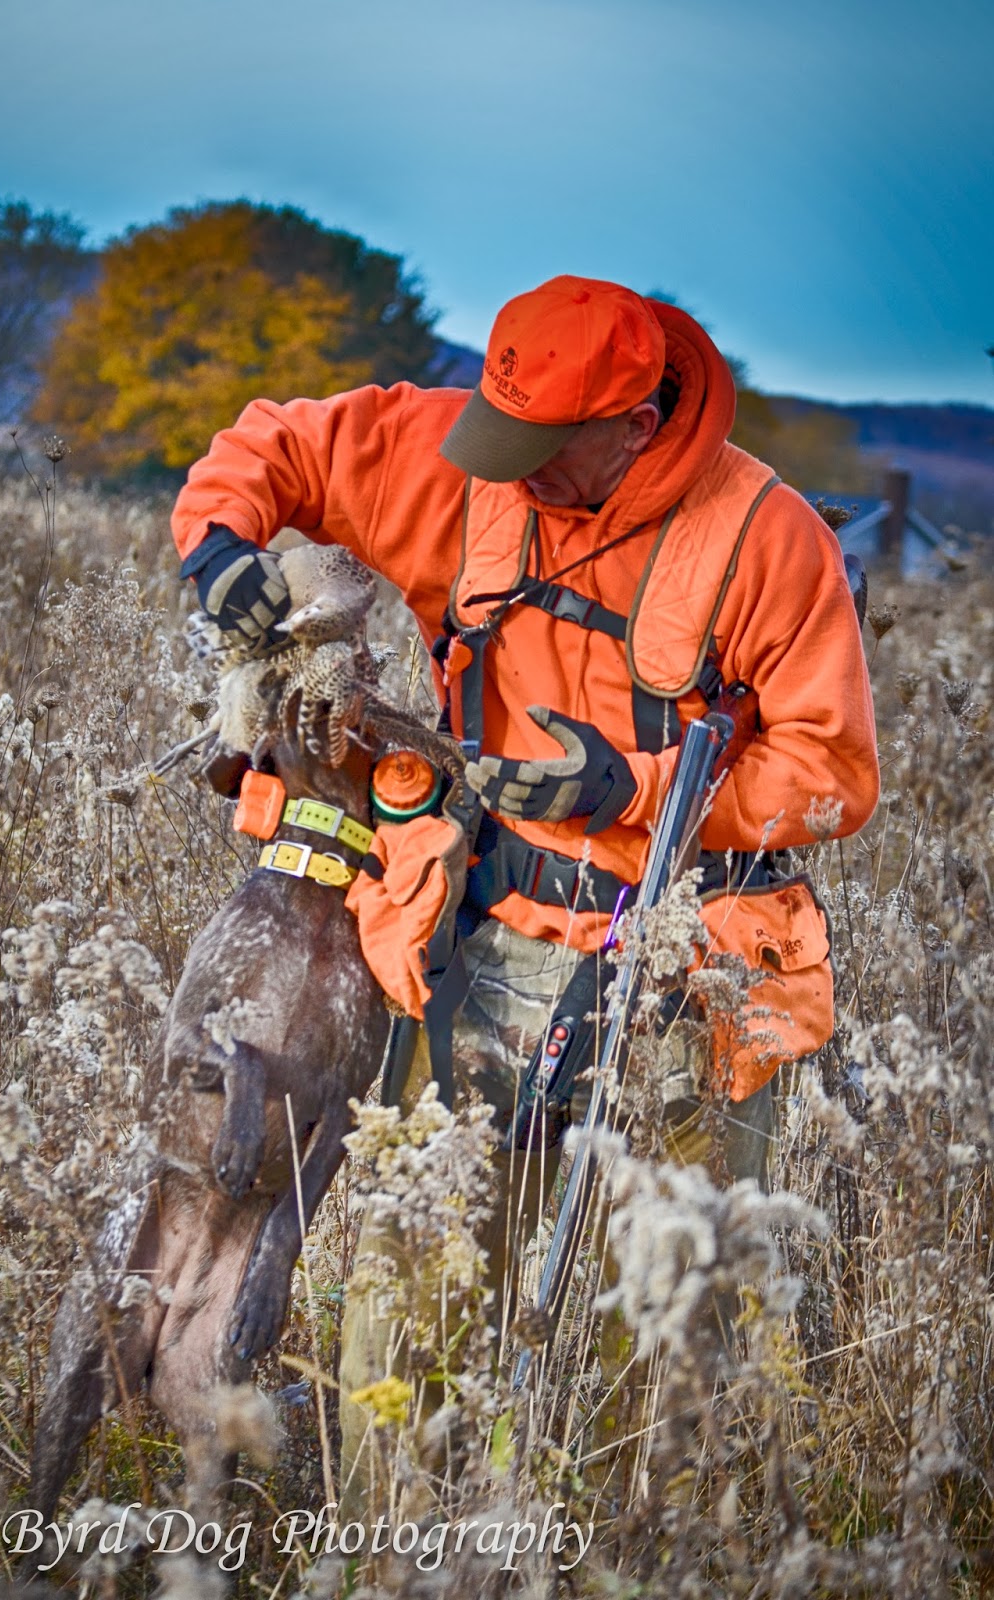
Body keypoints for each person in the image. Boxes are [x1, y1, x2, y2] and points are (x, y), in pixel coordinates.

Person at [171, 275, 880, 1508]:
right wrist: (222, 541)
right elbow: (273, 442)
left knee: (658, 1344)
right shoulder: (464, 464)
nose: (520, 475)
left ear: (639, 421)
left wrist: (643, 789)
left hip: (690, 967)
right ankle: (401, 1549)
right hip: (480, 945)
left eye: (548, 452)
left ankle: (611, 1553)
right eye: (510, 443)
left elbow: (832, 771)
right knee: (412, 1303)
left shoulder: (771, 541)